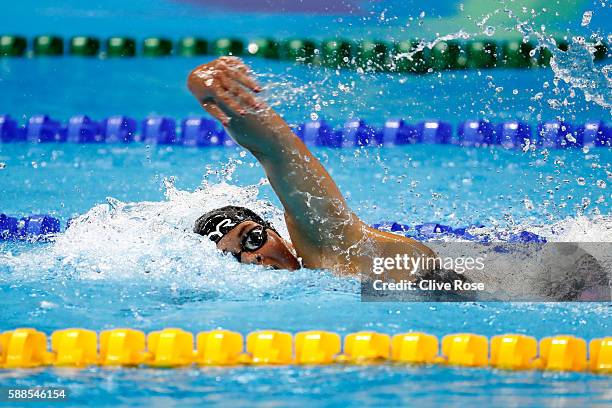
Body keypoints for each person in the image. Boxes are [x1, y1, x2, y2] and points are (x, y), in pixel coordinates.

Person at [188, 57, 435, 277]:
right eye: (233, 258)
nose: (254, 258)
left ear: (275, 231)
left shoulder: (334, 246)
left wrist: (203, 86)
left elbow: (275, 149)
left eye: (253, 239)